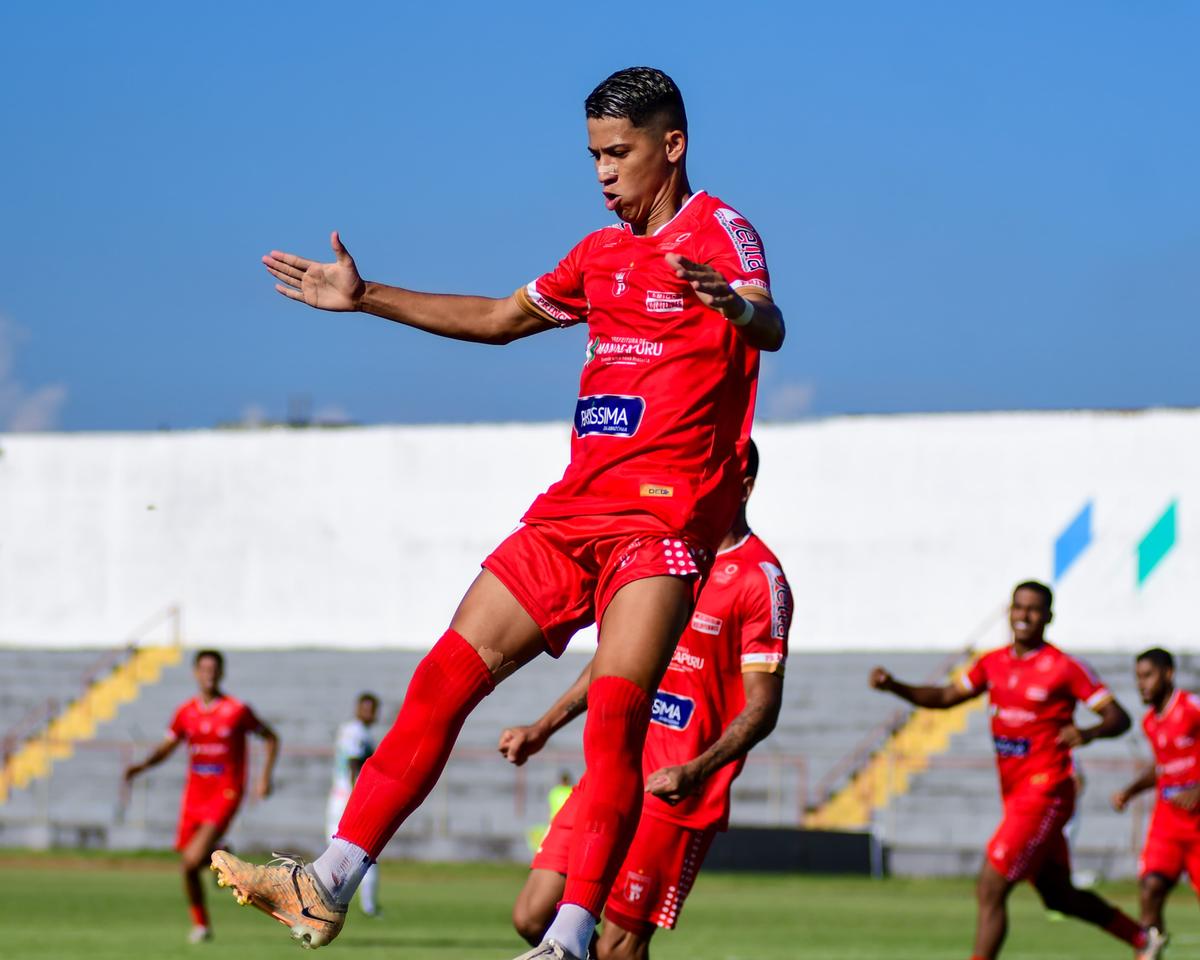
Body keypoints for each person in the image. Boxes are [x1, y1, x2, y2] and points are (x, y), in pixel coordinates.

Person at [211, 65, 785, 960]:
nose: (602, 171)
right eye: (594, 154)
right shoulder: (597, 255)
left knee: (614, 723)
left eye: (619, 152)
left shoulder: (722, 229)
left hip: (660, 524)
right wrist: (366, 299)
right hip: (569, 516)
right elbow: (497, 316)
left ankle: (567, 939)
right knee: (442, 677)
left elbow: (769, 317)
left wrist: (737, 310)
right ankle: (329, 880)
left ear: (671, 145)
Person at [503, 440, 790, 959]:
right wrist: (542, 728)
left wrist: (696, 771)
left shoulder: (757, 578)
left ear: (743, 488)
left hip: (674, 793)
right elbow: (614, 664)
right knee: (533, 916)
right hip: (612, 770)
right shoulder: (666, 554)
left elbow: (764, 704)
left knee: (619, 947)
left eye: (715, 475)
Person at [869, 581, 1164, 960]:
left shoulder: (1064, 668)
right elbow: (944, 697)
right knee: (1059, 895)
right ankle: (1143, 939)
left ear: (1049, 617)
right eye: (1018, 607)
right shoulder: (992, 663)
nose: (1024, 616)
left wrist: (1086, 733)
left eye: (1034, 609)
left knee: (991, 887)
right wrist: (894, 685)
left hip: (1046, 791)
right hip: (1016, 794)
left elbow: (1118, 716)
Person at [124, 649, 278, 944]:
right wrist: (142, 766)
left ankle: (216, 858)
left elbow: (271, 737)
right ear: (196, 673)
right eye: (203, 669)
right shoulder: (185, 712)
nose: (208, 674)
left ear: (221, 673)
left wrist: (264, 779)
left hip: (226, 792)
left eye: (214, 669)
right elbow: (167, 748)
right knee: (189, 865)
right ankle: (202, 922)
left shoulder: (237, 710)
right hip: (194, 796)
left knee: (189, 862)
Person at [1113, 647, 1200, 950]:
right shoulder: (1151, 722)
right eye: (1138, 677)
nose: (1142, 684)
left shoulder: (1191, 707)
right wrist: (1131, 790)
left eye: (1147, 676)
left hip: (1198, 825)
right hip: (1168, 823)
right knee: (1150, 888)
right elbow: (1162, 768)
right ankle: (1149, 953)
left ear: (1168, 674)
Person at [327, 693, 381, 917]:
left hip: (342, 796)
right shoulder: (356, 732)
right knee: (361, 851)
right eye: (365, 708)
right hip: (347, 797)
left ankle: (335, 900)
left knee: (347, 852)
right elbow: (353, 763)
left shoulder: (356, 730)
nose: (368, 713)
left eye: (372, 709)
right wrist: (357, 798)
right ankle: (364, 905)